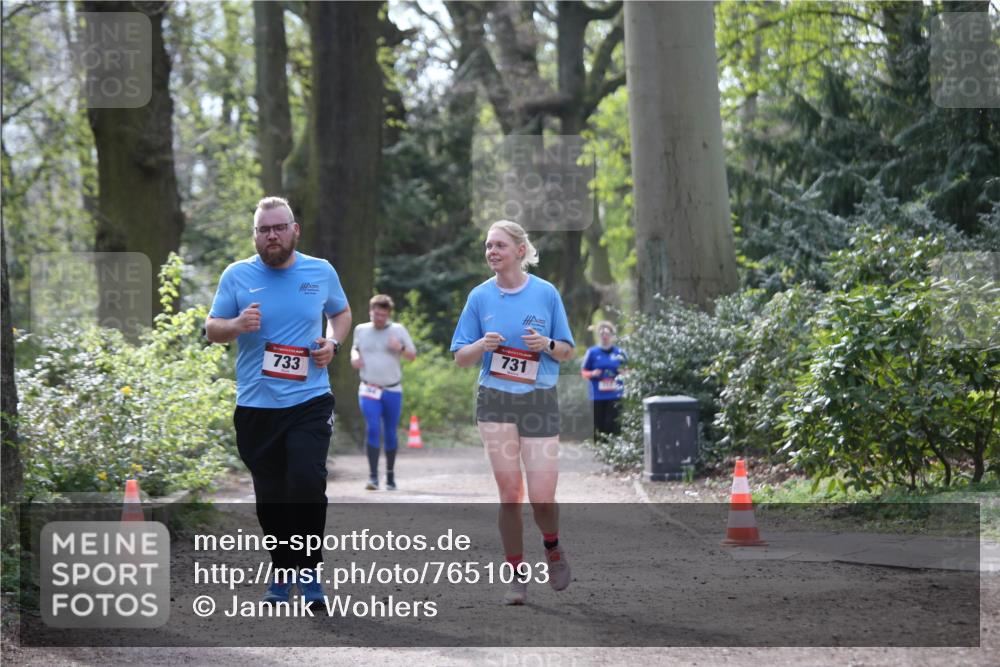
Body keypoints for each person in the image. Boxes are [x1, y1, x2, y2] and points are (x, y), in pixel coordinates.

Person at [205, 196, 351, 607]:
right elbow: (212, 328)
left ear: (294, 230)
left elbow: (341, 314)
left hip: (309, 400)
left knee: (306, 482)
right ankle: (282, 568)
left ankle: (309, 571)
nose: (272, 235)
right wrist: (236, 324)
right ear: (255, 235)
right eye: (264, 229)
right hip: (256, 405)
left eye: (279, 228)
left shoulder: (320, 271)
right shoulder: (237, 275)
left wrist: (333, 343)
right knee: (270, 495)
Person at [450, 220, 575, 605]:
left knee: (542, 497)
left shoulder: (546, 293)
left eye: (500, 245)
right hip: (496, 400)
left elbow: (567, 350)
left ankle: (552, 546)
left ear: (520, 250)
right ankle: (517, 575)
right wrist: (481, 346)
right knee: (509, 494)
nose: (492, 252)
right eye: (488, 246)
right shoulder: (479, 297)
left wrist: (547, 344)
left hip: (538, 399)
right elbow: (460, 357)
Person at [350, 294, 417, 491]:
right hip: (369, 388)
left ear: (389, 314)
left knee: (390, 432)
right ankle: (373, 477)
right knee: (372, 428)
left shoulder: (398, 330)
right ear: (370, 311)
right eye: (376, 314)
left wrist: (400, 347)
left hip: (392, 389)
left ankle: (390, 476)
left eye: (382, 315)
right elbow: (355, 348)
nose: (378, 318)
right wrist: (354, 357)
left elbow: (412, 355)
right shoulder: (361, 329)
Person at [581, 321, 627, 438]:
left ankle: (614, 448)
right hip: (597, 396)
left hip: (615, 395)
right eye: (602, 334)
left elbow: (629, 370)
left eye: (607, 333)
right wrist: (593, 373)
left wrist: (623, 372)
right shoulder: (592, 352)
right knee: (598, 426)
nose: (604, 336)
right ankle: (599, 448)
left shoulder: (620, 352)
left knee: (613, 425)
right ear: (598, 335)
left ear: (612, 335)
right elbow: (583, 372)